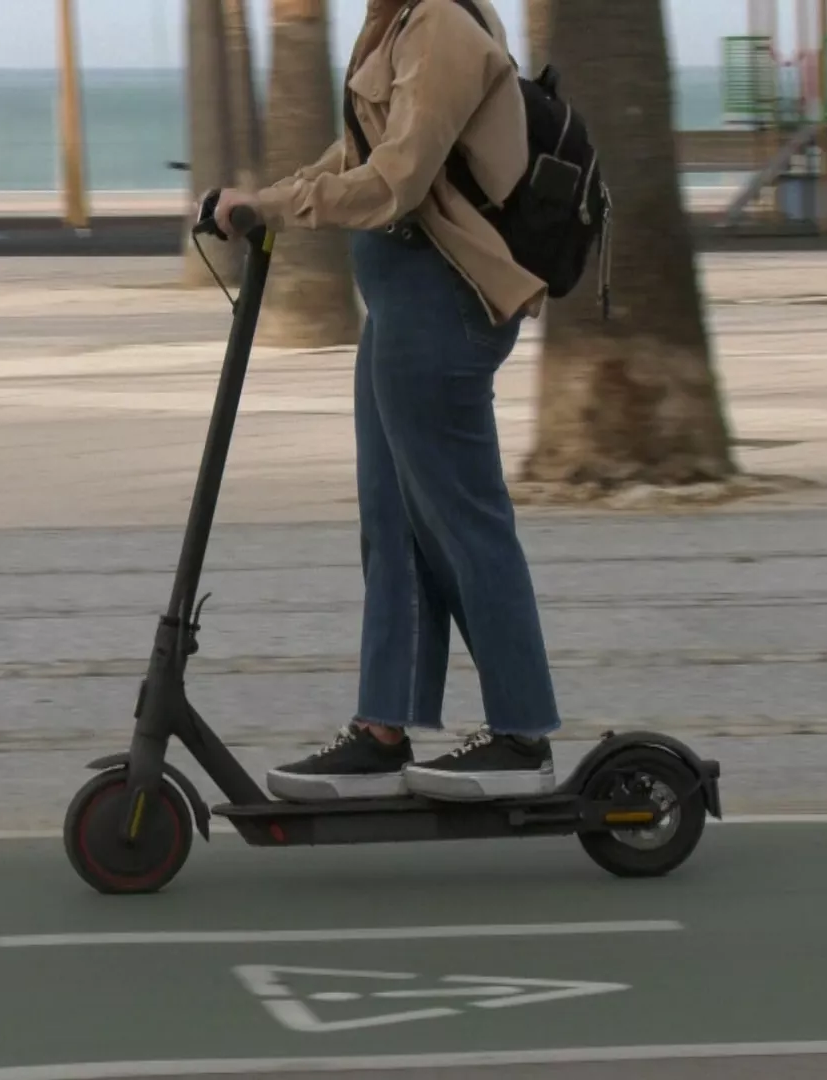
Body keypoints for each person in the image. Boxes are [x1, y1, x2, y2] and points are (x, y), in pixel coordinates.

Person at [212, 0, 564, 805]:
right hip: (403, 311)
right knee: (394, 525)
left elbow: (397, 182)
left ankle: (522, 734)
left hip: (443, 313)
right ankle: (384, 729)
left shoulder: (440, 27)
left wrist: (279, 208)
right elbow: (354, 155)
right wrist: (265, 200)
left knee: (464, 522)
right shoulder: (397, 26)